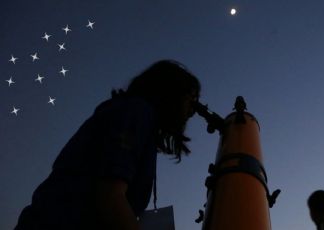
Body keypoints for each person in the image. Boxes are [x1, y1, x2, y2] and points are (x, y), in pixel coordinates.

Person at [14, 60, 201, 230]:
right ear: (170, 92)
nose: (193, 110)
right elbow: (110, 197)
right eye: (190, 99)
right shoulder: (136, 112)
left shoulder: (134, 114)